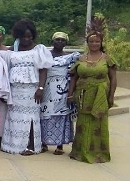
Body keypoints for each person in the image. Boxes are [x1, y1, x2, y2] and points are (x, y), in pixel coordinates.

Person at [68, 16, 117, 163]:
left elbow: (113, 79)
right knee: (83, 122)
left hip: (100, 95)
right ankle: (79, 152)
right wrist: (70, 94)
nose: (94, 43)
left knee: (98, 122)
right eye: (91, 41)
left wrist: (111, 96)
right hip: (83, 95)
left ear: (101, 42)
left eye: (97, 41)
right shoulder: (82, 58)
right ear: (87, 43)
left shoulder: (107, 59)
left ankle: (98, 154)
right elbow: (74, 77)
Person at [1, 19, 54, 155]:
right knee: (14, 116)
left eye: (29, 36)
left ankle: (30, 146)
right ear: (18, 36)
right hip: (15, 89)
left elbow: (43, 70)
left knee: (30, 117)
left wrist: (40, 89)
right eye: (24, 36)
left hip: (32, 90)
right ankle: (14, 145)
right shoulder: (11, 51)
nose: (27, 39)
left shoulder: (38, 49)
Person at [40, 32, 80, 155]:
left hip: (62, 90)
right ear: (52, 41)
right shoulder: (45, 55)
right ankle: (44, 143)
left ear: (66, 43)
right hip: (47, 88)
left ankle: (60, 145)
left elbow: (73, 75)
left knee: (61, 116)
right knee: (44, 115)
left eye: (63, 40)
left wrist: (70, 93)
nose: (60, 42)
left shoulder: (70, 57)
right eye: (57, 40)